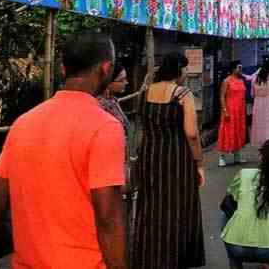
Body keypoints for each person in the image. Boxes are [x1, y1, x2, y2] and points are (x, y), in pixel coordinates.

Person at [0, 33, 127, 269]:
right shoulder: (105, 127)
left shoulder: (23, 123)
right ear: (105, 69)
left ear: (63, 69)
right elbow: (108, 219)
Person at [133, 51, 205, 268]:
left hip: (150, 156)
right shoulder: (183, 94)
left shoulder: (145, 92)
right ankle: (176, 259)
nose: (185, 75)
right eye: (184, 70)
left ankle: (150, 258)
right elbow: (191, 133)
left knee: (151, 207)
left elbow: (142, 126)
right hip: (176, 158)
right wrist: (199, 163)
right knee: (177, 208)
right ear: (178, 70)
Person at [221, 139, 269, 268]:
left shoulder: (244, 174)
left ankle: (236, 266)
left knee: (225, 212)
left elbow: (229, 201)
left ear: (261, 156)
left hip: (237, 247)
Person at [98, 64, 132, 185]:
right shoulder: (101, 104)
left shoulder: (113, 101)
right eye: (121, 80)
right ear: (108, 83)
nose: (126, 83)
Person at [219, 60, 248, 166]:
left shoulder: (241, 80)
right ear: (233, 69)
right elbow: (222, 96)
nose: (241, 69)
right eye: (238, 67)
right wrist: (225, 110)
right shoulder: (226, 81)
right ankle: (222, 157)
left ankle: (237, 156)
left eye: (241, 67)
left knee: (238, 132)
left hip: (240, 112)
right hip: (230, 110)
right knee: (227, 132)